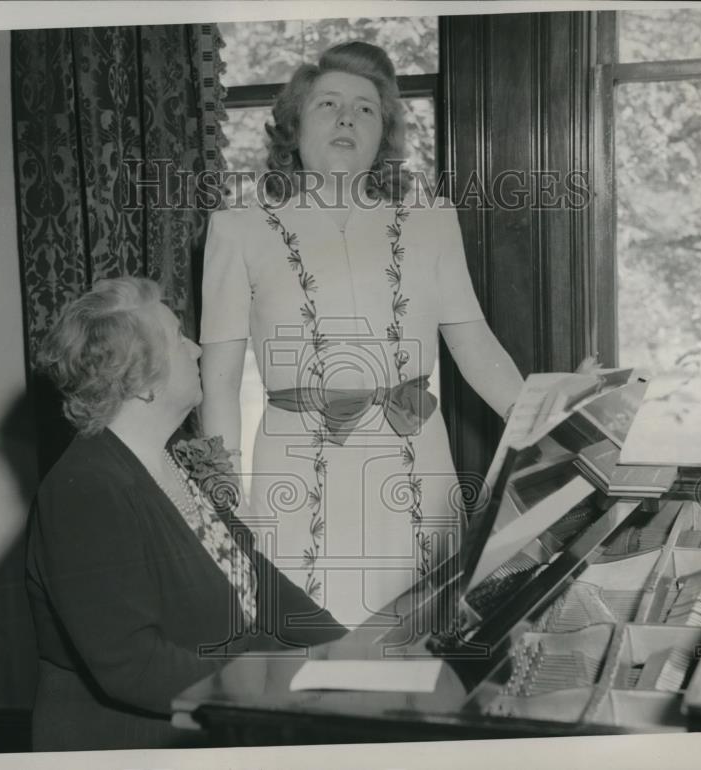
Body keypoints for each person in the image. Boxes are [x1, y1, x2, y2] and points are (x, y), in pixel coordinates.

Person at [200, 41, 525, 629]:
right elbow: (218, 383)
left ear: (384, 136)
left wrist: (547, 418)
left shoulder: (431, 221)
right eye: (328, 104)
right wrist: (230, 501)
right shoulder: (238, 229)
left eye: (366, 109)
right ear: (295, 126)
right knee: (312, 645)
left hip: (417, 460)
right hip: (294, 471)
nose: (347, 117)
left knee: (423, 640)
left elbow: (476, 348)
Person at [25, 276, 344, 751]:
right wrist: (277, 680)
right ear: (142, 381)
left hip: (213, 716)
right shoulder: (85, 490)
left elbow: (255, 574)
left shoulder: (172, 458)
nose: (196, 350)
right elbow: (137, 668)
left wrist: (345, 651)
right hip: (136, 741)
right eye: (178, 338)